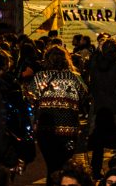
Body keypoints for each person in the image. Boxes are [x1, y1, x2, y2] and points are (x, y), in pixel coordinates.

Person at [28, 46, 88, 178]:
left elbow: (30, 97)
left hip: (46, 128)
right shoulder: (74, 77)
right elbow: (84, 95)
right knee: (64, 164)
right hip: (69, 127)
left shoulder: (39, 77)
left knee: (51, 166)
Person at [87, 38, 116, 179]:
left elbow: (91, 84)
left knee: (98, 142)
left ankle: (96, 171)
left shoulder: (94, 65)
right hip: (115, 107)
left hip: (99, 106)